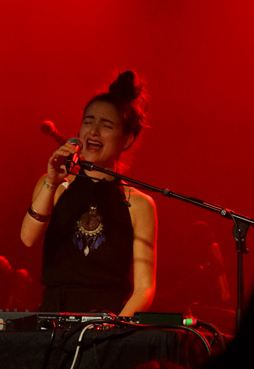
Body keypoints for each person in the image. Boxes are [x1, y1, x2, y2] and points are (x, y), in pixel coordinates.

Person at [20, 70, 156, 316]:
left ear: (127, 140)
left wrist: (113, 329)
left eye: (106, 125)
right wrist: (52, 181)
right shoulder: (55, 183)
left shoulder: (137, 203)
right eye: (88, 121)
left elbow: (145, 288)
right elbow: (27, 238)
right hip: (54, 313)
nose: (93, 131)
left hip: (108, 317)